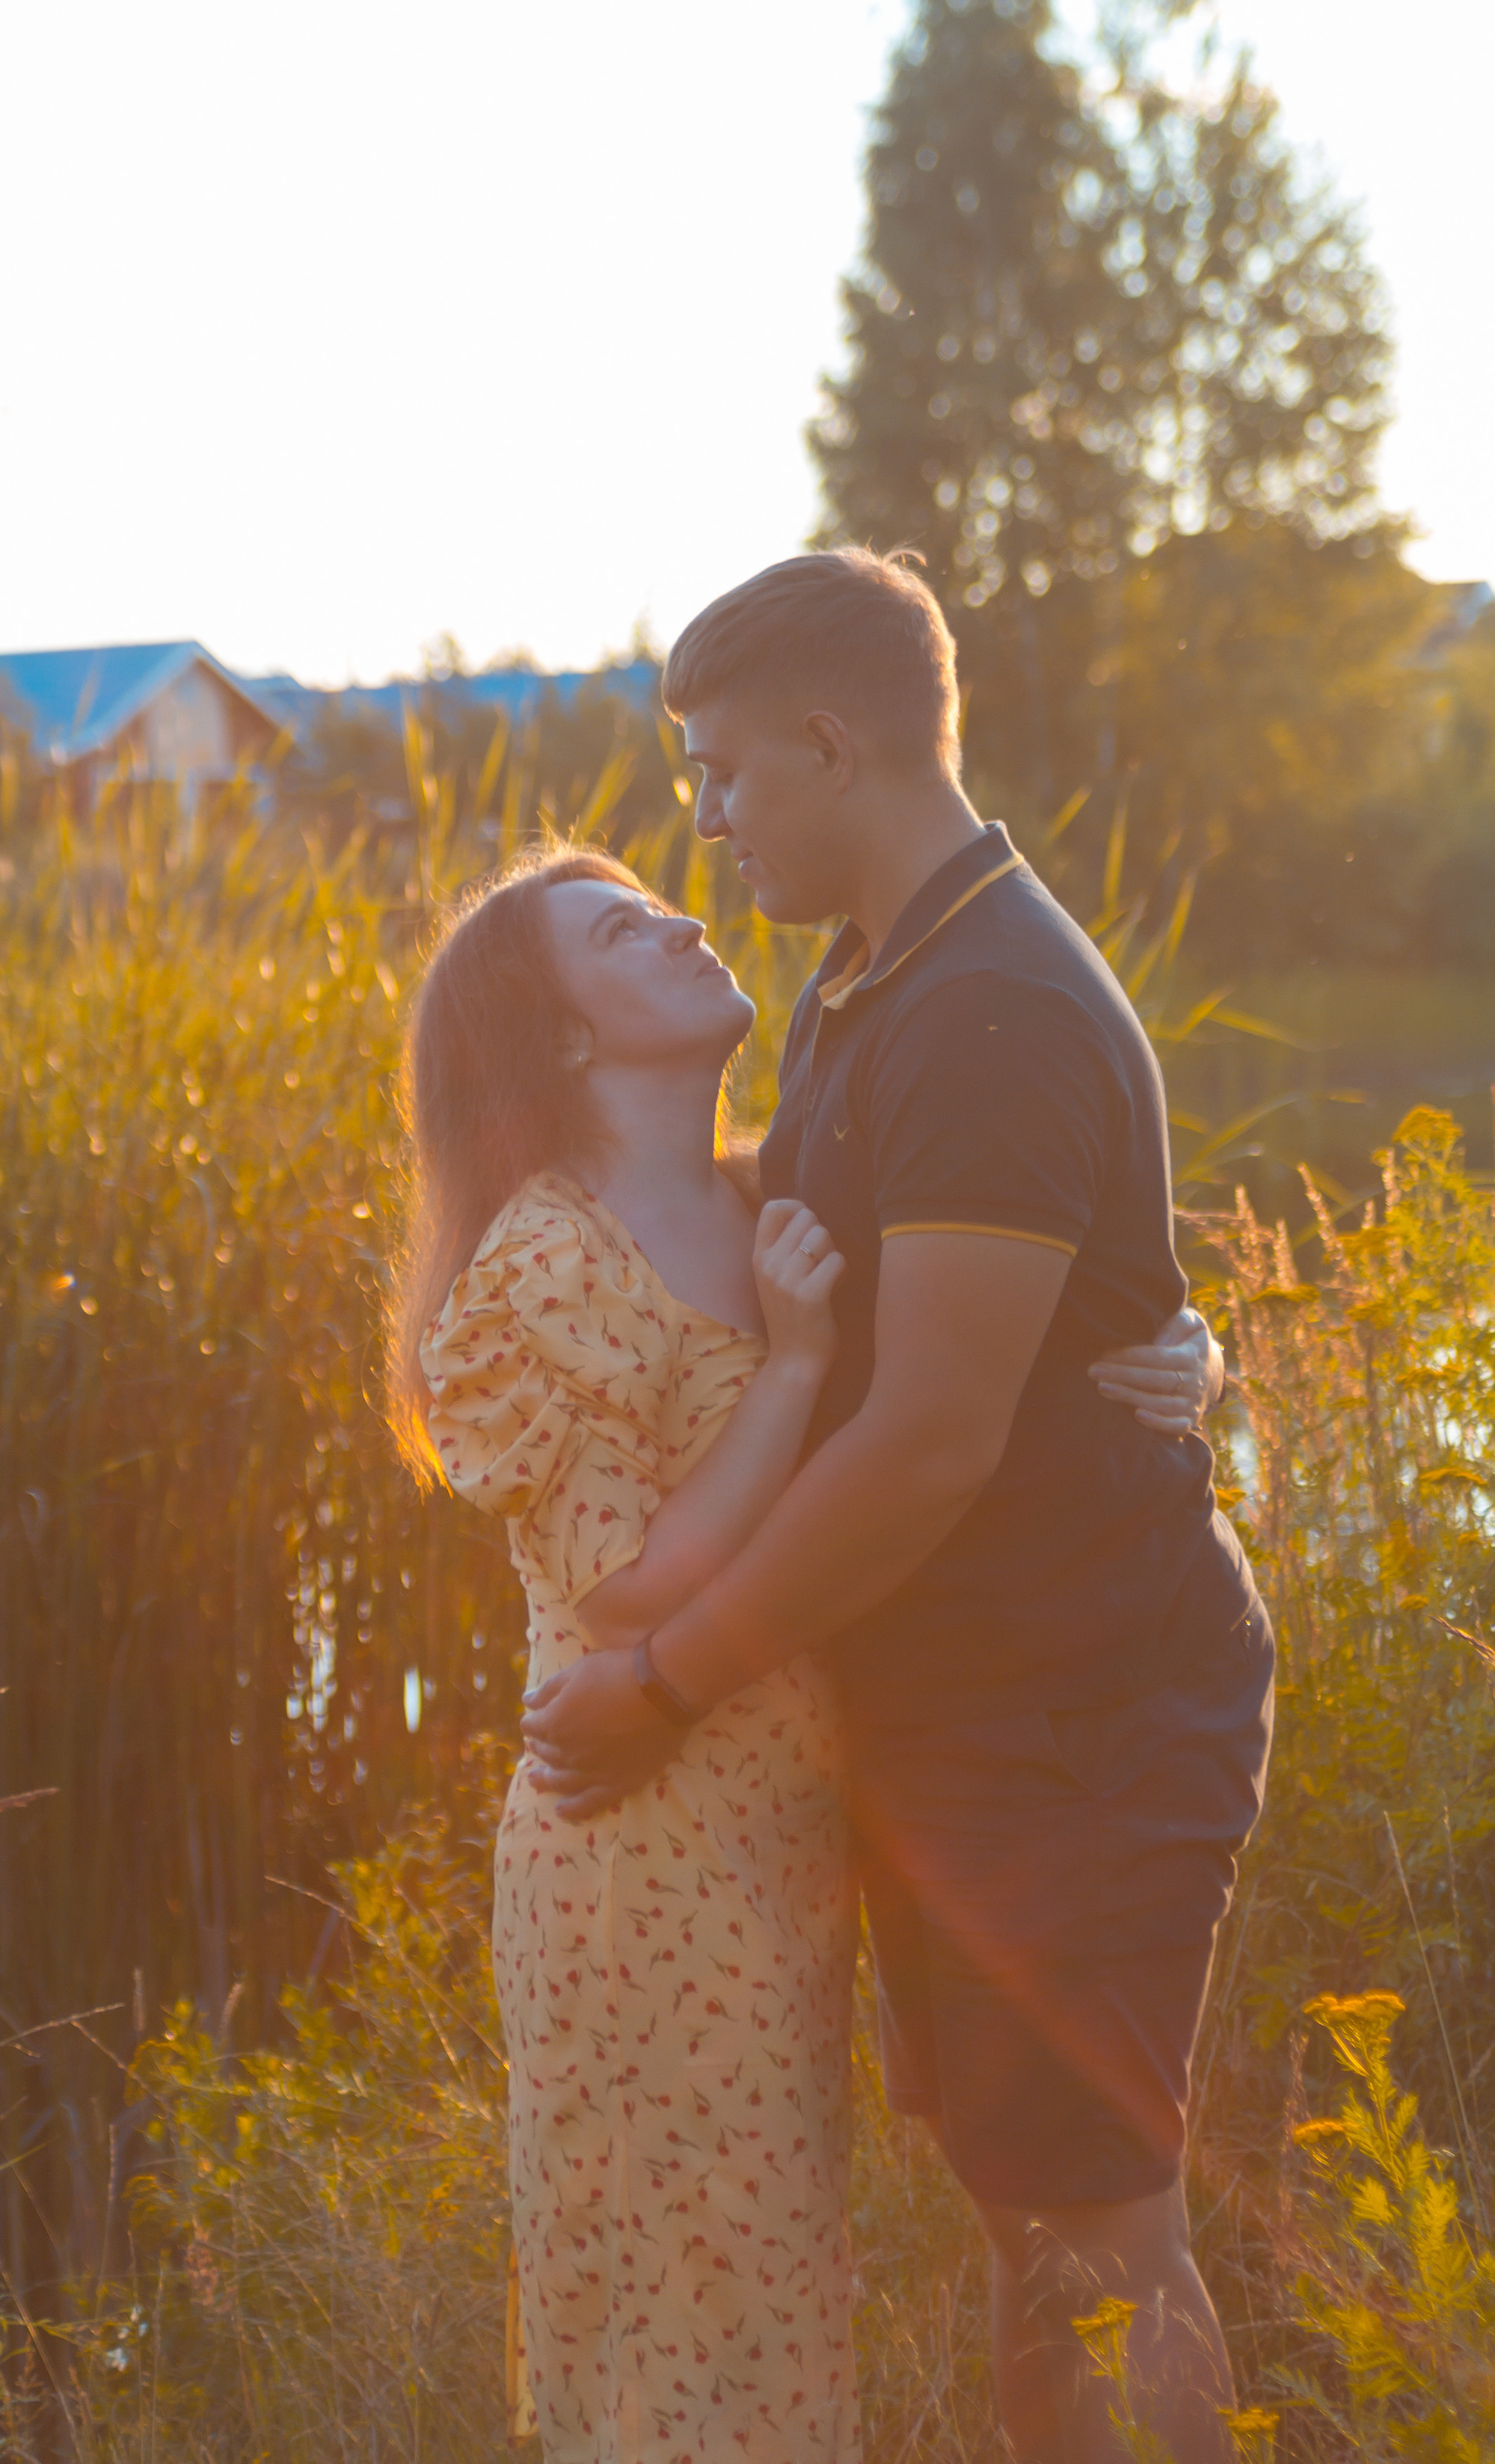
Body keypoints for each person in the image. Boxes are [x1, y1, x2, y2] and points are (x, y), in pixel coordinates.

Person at [521, 550, 1274, 2464]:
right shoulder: (873, 984)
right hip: (974, 1714)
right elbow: (893, 1280)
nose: (705, 820)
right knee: (1032, 2227)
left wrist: (669, 1679)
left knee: (1099, 2242)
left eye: (718, 772)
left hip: (1075, 1711)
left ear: (828, 743)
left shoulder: (985, 1008)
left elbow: (930, 1437)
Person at [390, 835, 1223, 2464]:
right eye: (621, 932)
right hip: (642, 1834)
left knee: (774, 2271)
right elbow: (626, 1596)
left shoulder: (769, 1191)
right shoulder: (544, 1263)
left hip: (790, 1818)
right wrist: (790, 1368)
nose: (680, 919)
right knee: (684, 2299)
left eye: (659, 900)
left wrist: (1171, 1355)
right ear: (561, 1036)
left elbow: (987, 1319)